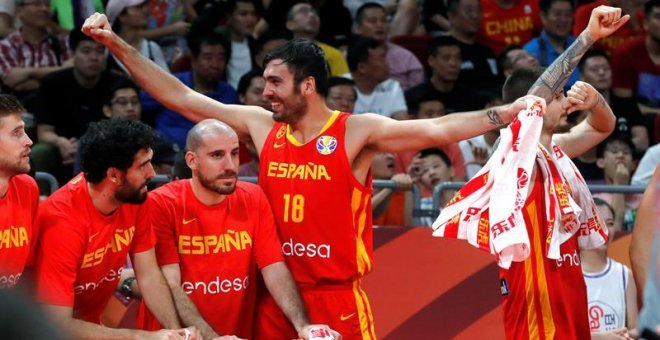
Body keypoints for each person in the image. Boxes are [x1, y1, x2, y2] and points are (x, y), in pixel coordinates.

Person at [81, 6, 625, 337]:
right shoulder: (260, 125)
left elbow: (437, 131)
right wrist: (114, 44)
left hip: (336, 294)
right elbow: (178, 95)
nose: (264, 91)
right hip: (273, 294)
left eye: (275, 82)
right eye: (264, 82)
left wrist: (505, 113)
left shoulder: (357, 131)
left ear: (307, 85)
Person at [135, 119, 339, 339]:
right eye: (217, 155)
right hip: (178, 335)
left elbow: (274, 268)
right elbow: (170, 283)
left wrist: (303, 326)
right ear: (192, 161)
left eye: (234, 153)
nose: (230, 166)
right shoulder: (161, 203)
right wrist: (212, 338)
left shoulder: (253, 197)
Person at [34, 118, 198, 339]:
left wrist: (175, 332)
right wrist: (145, 337)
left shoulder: (134, 198)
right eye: (143, 165)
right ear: (113, 175)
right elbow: (57, 323)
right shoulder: (62, 221)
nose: (152, 173)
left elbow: (149, 275)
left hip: (92, 326)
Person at [581, 198, 637, 339]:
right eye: (597, 222)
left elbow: (634, 328)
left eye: (610, 223)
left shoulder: (624, 274)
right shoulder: (567, 275)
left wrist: (625, 335)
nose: (604, 229)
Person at [0, 94, 38, 289]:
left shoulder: (27, 188)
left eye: (25, 131)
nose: (29, 141)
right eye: (16, 133)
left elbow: (28, 271)